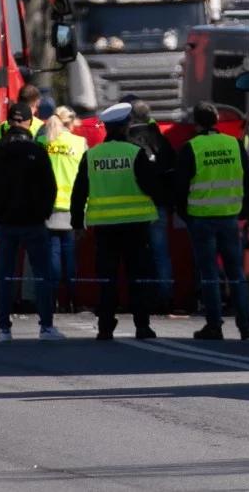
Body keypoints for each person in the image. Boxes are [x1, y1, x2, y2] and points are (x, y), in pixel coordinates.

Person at [70, 102, 163, 340]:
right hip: (136, 226)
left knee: (107, 278)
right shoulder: (135, 153)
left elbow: (79, 191)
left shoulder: (92, 156)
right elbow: (152, 187)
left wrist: (77, 223)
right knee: (137, 277)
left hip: (105, 228)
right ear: (125, 127)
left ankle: (105, 327)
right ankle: (142, 326)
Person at [0, 102, 64, 341]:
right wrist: (43, 213)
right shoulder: (37, 151)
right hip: (33, 222)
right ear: (29, 122)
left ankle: (4, 329)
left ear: (8, 121)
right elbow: (50, 187)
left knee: (4, 275)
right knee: (41, 275)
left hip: (4, 222)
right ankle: (46, 326)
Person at [176, 101, 249, 340]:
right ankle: (245, 326)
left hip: (201, 220)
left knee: (209, 274)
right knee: (237, 274)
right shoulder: (234, 144)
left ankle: (214, 325)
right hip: (229, 218)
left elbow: (179, 188)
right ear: (217, 119)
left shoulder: (191, 147)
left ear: (197, 123)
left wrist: (186, 216)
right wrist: (241, 211)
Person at [127, 100, 177, 312]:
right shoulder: (160, 139)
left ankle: (140, 300)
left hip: (134, 206)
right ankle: (165, 299)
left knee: (136, 254)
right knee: (160, 253)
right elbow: (172, 169)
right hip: (158, 205)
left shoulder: (128, 141)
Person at [45, 106, 87, 312]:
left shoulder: (44, 142)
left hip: (48, 207)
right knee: (69, 254)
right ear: (70, 124)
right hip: (71, 206)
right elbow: (85, 177)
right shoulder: (79, 143)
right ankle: (71, 300)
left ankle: (52, 299)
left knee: (52, 253)